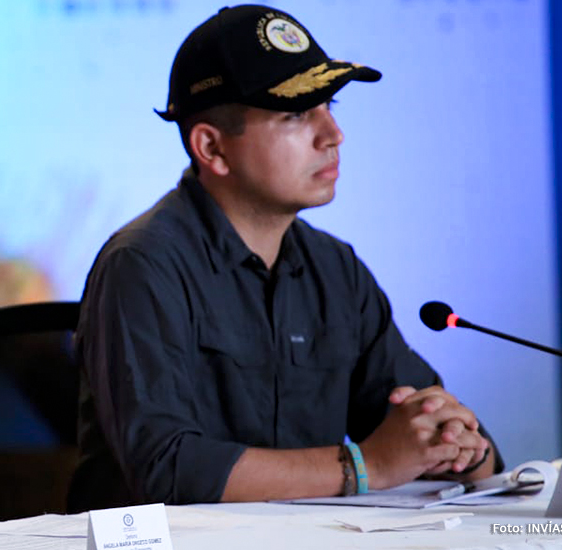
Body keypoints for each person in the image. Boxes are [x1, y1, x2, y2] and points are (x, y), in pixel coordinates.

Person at [67, 4, 503, 510]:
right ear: (212, 148)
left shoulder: (336, 270)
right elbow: (168, 471)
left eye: (330, 106)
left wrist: (461, 448)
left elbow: (418, 417)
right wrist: (368, 466)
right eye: (297, 114)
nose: (332, 134)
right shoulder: (142, 265)